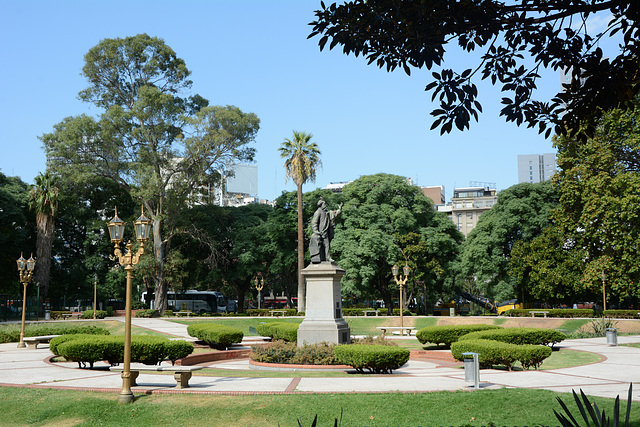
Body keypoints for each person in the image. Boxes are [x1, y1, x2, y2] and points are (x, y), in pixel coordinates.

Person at [309, 197, 342, 263]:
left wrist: (340, 209)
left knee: (327, 245)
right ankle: (325, 257)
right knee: (324, 244)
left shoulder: (327, 212)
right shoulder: (318, 212)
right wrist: (316, 231)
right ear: (321, 205)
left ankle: (327, 257)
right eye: (324, 204)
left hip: (326, 231)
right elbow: (314, 222)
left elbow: (334, 214)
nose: (325, 205)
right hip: (321, 231)